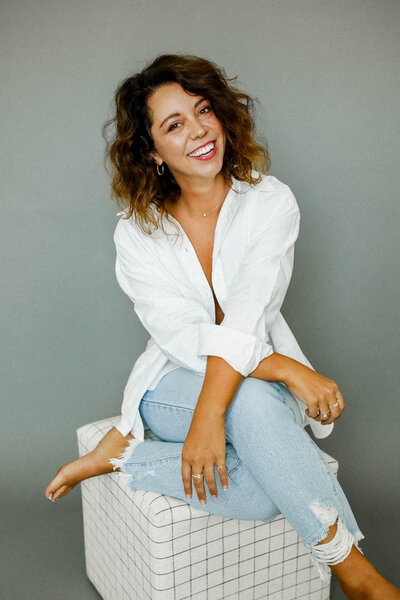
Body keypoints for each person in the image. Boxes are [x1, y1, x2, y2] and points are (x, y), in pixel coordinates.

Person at [45, 54, 400, 598]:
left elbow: (250, 310)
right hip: (172, 383)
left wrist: (235, 396)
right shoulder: (136, 234)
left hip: (246, 381)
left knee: (263, 493)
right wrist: (278, 370)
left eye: (203, 110)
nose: (199, 130)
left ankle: (123, 454)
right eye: (174, 125)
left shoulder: (270, 202)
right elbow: (182, 335)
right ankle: (358, 575)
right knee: (257, 404)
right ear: (151, 151)